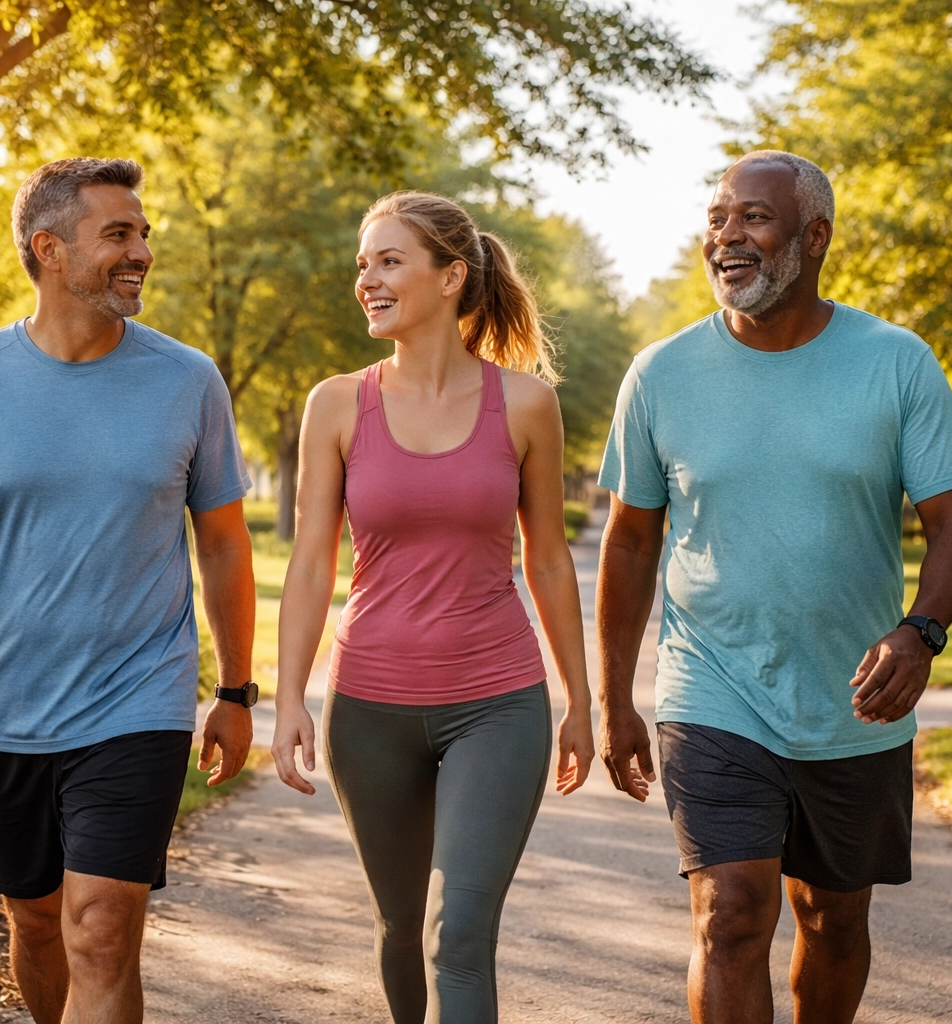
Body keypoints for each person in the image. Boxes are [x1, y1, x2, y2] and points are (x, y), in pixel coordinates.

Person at [596, 150, 952, 1024]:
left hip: (855, 696)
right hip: (712, 686)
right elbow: (628, 544)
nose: (727, 238)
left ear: (815, 238)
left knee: (832, 915)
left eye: (753, 219)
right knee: (731, 915)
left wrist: (920, 631)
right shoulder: (661, 373)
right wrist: (614, 694)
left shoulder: (896, 363)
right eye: (717, 220)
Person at [0, 157, 258, 1024]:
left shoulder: (188, 380)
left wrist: (234, 690)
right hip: (7, 703)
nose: (142, 252)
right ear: (49, 248)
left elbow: (225, 544)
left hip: (138, 701)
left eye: (143, 233)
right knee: (38, 926)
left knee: (102, 929)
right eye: (117, 233)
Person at [271, 191, 596, 1024]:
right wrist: (287, 700)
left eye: (388, 261)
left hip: (497, 701)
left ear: (452, 276)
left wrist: (580, 701)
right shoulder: (337, 404)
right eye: (362, 264)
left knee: (460, 936)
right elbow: (311, 564)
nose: (366, 280)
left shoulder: (524, 405)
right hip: (369, 707)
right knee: (398, 928)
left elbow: (551, 561)